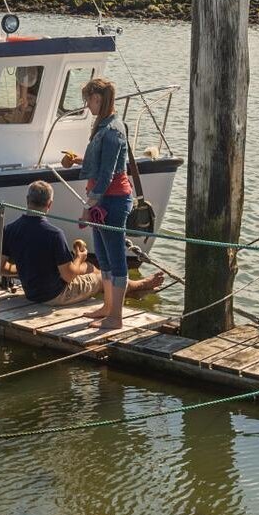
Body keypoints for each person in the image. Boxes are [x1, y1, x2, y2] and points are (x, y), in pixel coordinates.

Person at [78, 76, 163, 328]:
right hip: (101, 201)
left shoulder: (113, 130)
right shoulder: (103, 124)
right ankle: (107, 306)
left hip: (113, 202)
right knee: (103, 256)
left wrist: (87, 207)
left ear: (97, 98)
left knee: (116, 259)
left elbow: (108, 175)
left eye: (88, 101)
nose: (87, 106)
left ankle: (116, 316)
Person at [0, 181, 102, 306]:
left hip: (31, 293)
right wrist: (79, 258)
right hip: (55, 295)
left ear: (27, 200)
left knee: (89, 267)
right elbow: (68, 276)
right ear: (50, 204)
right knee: (104, 278)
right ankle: (132, 286)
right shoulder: (54, 234)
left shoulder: (9, 229)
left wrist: (25, 269)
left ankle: (123, 285)